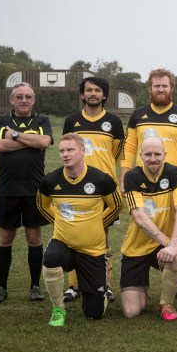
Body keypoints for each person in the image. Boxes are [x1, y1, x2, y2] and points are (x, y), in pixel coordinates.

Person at [121, 68, 177, 303]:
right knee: (143, 223)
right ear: (150, 89)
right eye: (157, 86)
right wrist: (124, 177)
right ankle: (139, 278)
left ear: (171, 88)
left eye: (165, 85)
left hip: (173, 184)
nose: (161, 89)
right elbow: (128, 149)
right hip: (142, 183)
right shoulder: (138, 115)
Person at [36, 133, 123, 326]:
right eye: (62, 151)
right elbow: (42, 206)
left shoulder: (101, 179)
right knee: (50, 258)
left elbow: (117, 206)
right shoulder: (50, 181)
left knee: (95, 313)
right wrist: (58, 223)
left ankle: (92, 290)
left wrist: (98, 224)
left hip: (93, 250)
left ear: (82, 151)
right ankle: (58, 308)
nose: (65, 154)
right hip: (64, 244)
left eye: (70, 150)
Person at [61, 76, 125, 303]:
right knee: (73, 235)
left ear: (104, 95)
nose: (93, 94)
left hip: (104, 189)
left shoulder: (114, 122)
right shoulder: (72, 121)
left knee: (102, 237)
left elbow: (117, 155)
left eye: (97, 90)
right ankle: (73, 285)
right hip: (76, 187)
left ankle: (104, 285)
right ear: (82, 95)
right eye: (89, 90)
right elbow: (66, 150)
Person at [0, 82, 53, 304]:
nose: (24, 100)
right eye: (19, 96)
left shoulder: (42, 121)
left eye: (28, 96)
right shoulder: (1, 121)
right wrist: (29, 141)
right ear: (12, 100)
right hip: (7, 190)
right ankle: (1, 287)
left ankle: (35, 286)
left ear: (34, 99)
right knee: (6, 237)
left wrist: (14, 135)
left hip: (34, 190)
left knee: (34, 238)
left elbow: (45, 141)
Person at [120, 137, 177, 321]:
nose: (153, 158)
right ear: (141, 156)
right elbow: (140, 218)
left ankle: (166, 302)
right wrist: (169, 243)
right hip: (136, 247)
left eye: (157, 154)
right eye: (148, 154)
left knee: (176, 259)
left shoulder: (175, 173)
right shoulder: (132, 177)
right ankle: (142, 289)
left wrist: (172, 247)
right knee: (132, 311)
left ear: (164, 155)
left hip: (162, 247)